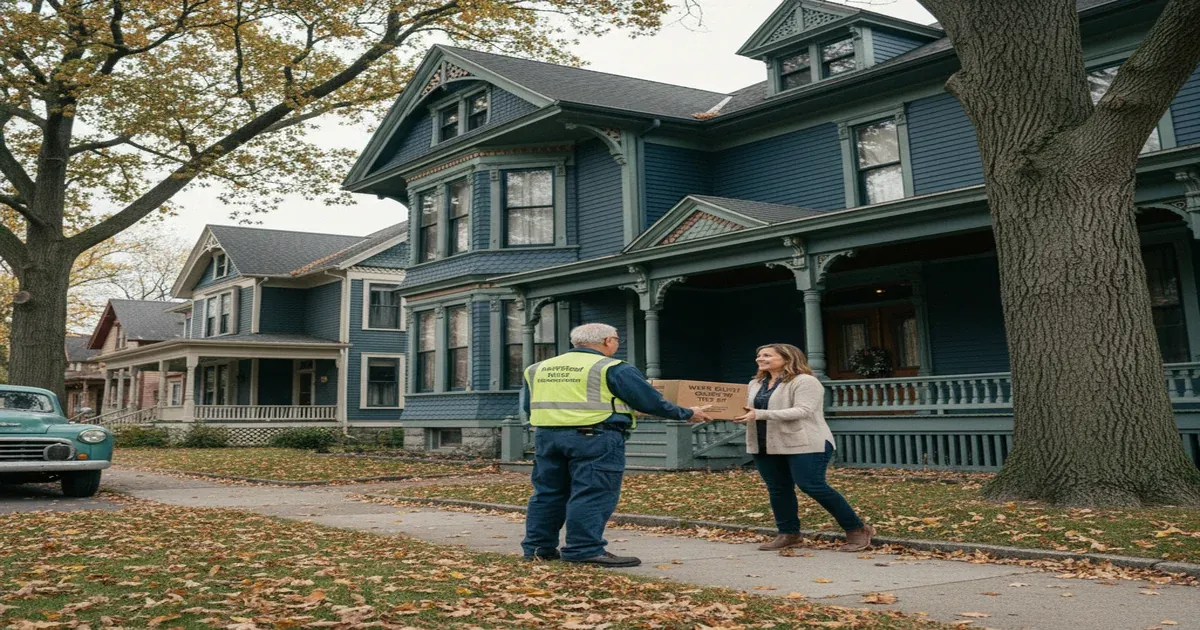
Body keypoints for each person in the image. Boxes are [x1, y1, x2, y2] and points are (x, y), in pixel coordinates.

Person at [520, 322, 713, 567]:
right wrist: (687, 413)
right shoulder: (611, 367)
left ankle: (538, 548)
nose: (616, 344)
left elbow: (530, 406)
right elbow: (649, 401)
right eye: (617, 340)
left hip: (547, 437)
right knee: (592, 492)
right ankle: (583, 549)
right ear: (607, 341)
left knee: (548, 493)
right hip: (594, 437)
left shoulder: (537, 368)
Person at [731, 343, 875, 553]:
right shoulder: (755, 383)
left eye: (767, 355)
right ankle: (788, 533)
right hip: (764, 443)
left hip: (806, 442)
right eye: (759, 355)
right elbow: (749, 410)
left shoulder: (806, 381)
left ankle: (857, 529)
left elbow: (804, 410)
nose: (760, 359)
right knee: (778, 489)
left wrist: (759, 414)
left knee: (812, 485)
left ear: (788, 358)